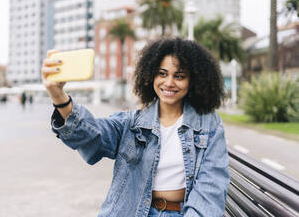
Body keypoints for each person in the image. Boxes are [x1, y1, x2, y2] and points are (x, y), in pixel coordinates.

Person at [42, 38, 229, 217]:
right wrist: (58, 96)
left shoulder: (209, 124)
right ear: (151, 75)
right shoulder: (131, 123)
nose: (169, 82)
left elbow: (210, 189)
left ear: (193, 80)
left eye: (179, 76)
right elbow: (92, 136)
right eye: (162, 74)